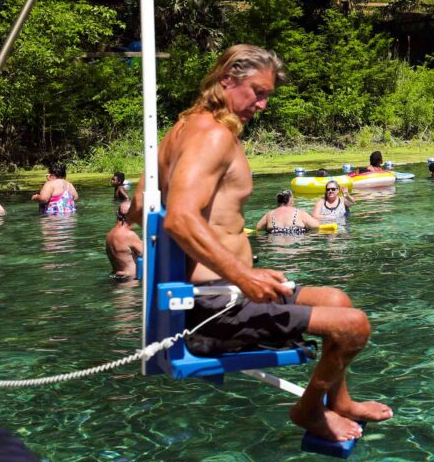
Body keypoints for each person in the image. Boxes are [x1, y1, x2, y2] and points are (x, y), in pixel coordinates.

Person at [128, 44, 391, 441]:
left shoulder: (179, 131)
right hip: (213, 307)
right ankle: (307, 410)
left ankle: (340, 401)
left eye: (268, 95)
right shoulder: (212, 136)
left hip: (218, 293)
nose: (263, 104)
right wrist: (243, 276)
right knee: (355, 327)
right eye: (258, 92)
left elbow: (138, 208)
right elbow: (180, 218)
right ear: (226, 80)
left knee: (337, 300)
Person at [105, 200, 142, 281]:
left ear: (117, 214)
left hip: (116, 277)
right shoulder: (129, 235)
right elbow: (147, 253)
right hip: (130, 281)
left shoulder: (109, 235)